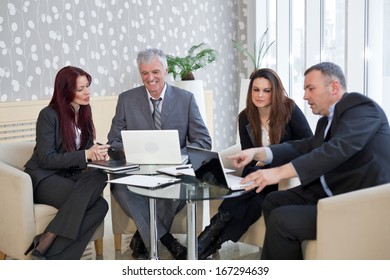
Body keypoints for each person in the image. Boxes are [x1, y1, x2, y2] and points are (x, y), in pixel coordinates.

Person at [229, 62, 390, 259]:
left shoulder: (362, 107)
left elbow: (337, 149)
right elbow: (304, 145)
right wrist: (258, 152)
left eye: (310, 88)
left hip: (358, 201)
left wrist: (277, 172)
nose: (305, 96)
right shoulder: (325, 121)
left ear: (334, 87)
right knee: (273, 200)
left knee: (282, 220)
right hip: (328, 192)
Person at [107, 48, 212, 260]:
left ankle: (142, 239)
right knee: (121, 188)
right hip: (136, 171)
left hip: (173, 172)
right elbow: (113, 142)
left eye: (155, 72)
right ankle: (168, 241)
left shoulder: (186, 99)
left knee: (174, 191)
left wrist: (177, 154)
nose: (150, 78)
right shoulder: (127, 100)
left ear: (165, 70)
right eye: (144, 73)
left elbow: (204, 141)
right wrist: (127, 148)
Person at [197, 68, 313, 260]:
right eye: (256, 89)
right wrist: (254, 170)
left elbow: (307, 143)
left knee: (249, 197)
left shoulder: (289, 109)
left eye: (266, 90)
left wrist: (270, 163)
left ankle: (203, 243)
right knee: (254, 199)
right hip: (257, 173)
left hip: (283, 173)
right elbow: (248, 155)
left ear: (274, 92)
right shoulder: (245, 117)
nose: (260, 95)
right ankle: (209, 244)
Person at [24, 66, 110, 260]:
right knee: (99, 206)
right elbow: (47, 159)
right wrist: (85, 155)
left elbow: (84, 150)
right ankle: (55, 251)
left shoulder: (85, 114)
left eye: (87, 86)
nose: (87, 92)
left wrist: (97, 153)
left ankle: (49, 243)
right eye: (80, 89)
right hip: (44, 178)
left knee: (100, 176)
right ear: (65, 90)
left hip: (68, 175)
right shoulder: (48, 115)